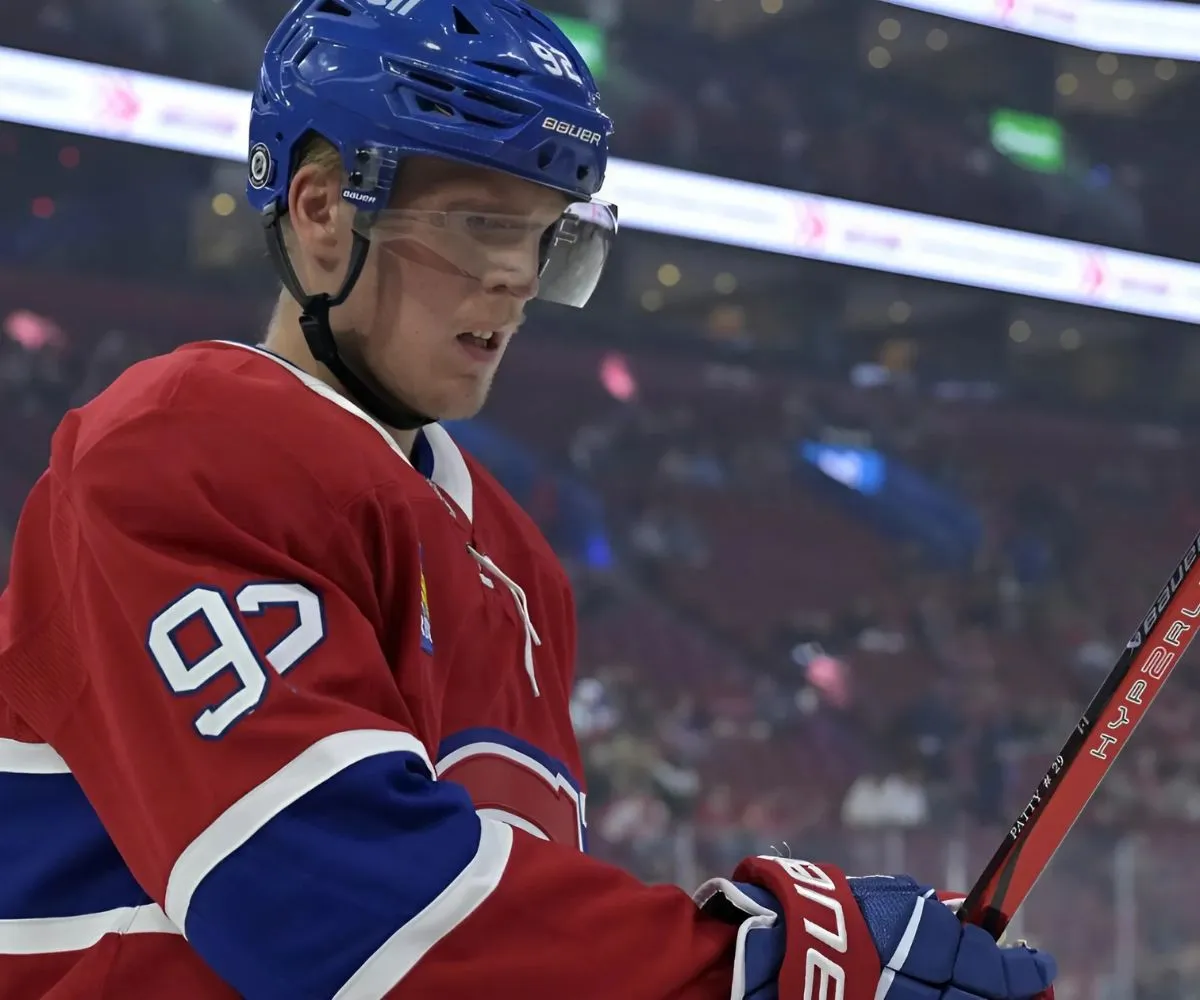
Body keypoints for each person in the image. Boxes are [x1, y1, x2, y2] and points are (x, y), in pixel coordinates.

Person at [0, 2, 1060, 998]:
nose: (515, 276)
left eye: (545, 234)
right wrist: (754, 966)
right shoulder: (180, 446)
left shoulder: (517, 561)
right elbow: (331, 908)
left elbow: (505, 958)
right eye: (476, 224)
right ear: (322, 209)